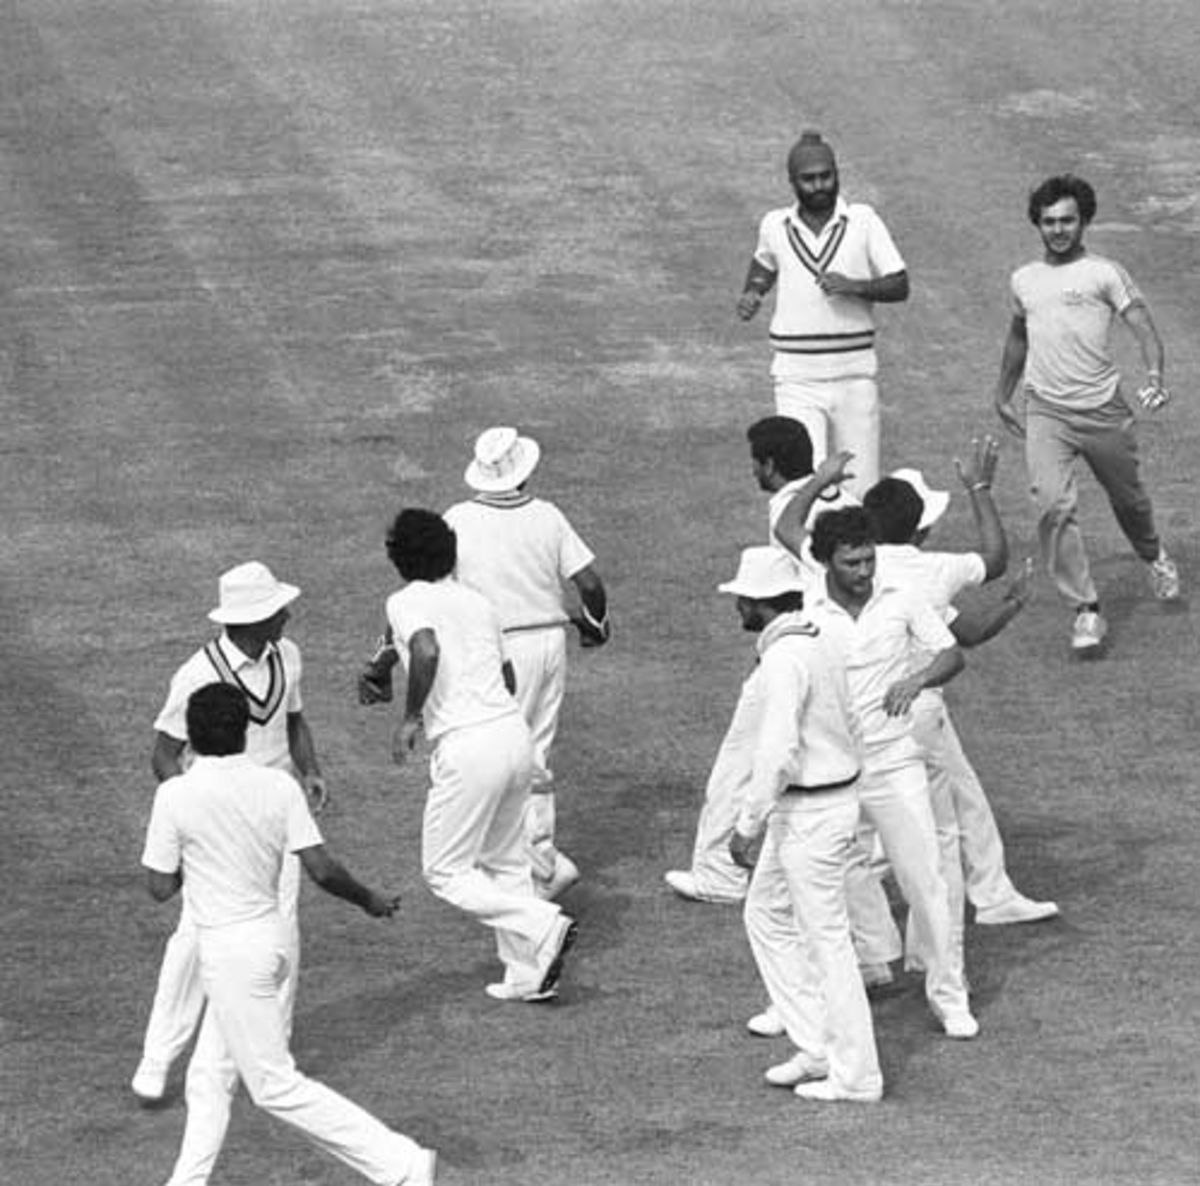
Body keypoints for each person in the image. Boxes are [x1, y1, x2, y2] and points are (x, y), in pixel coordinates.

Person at [142, 682, 436, 1186]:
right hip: (269, 943)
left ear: (190, 736)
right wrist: (369, 900)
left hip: (231, 956)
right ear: (245, 731)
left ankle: (401, 1164)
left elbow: (160, 888)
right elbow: (321, 870)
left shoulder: (175, 796)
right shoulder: (278, 787)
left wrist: (200, 856)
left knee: (274, 1086)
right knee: (209, 1074)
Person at [132, 561, 328, 1103]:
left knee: (283, 933)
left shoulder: (287, 655)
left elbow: (292, 721)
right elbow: (164, 754)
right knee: (195, 938)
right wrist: (199, 812)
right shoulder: (196, 674)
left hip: (276, 812)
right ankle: (157, 1059)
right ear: (252, 619)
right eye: (277, 611)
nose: (288, 616)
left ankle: (269, 1051)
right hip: (218, 830)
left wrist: (310, 771)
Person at [381, 508, 577, 1002]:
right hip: (512, 735)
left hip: (468, 744)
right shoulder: (477, 601)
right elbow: (507, 678)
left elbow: (425, 650)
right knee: (506, 861)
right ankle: (526, 975)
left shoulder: (405, 601)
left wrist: (411, 718)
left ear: (399, 561)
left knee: (444, 871)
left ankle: (542, 923)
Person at [861, 447, 1060, 930]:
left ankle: (990, 893)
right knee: (932, 824)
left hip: (859, 708)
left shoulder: (854, 565)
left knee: (936, 803)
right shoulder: (930, 572)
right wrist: (980, 489)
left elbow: (964, 631)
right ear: (920, 532)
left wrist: (1009, 607)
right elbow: (993, 559)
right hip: (917, 708)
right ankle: (957, 917)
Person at [665, 417, 854, 905]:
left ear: (769, 465)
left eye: (754, 462)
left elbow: (785, 584)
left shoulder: (785, 506)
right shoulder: (845, 501)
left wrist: (771, 652)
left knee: (743, 759)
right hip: (839, 647)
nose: (751, 471)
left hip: (795, 644)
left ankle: (720, 874)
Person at [806, 507, 978, 1039]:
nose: (864, 571)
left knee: (926, 880)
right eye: (852, 562)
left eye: (868, 559)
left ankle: (950, 997)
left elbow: (952, 654)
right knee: (814, 885)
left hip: (893, 762)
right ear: (826, 562)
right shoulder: (807, 609)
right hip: (831, 769)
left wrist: (919, 679)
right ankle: (809, 997)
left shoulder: (901, 597)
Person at [721, 547, 883, 1104]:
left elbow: (777, 750)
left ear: (763, 605)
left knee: (828, 941)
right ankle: (815, 1044)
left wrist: (748, 823)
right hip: (821, 804)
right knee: (763, 913)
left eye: (743, 598)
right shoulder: (820, 638)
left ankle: (857, 1075)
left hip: (812, 811)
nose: (737, 605)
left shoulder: (785, 661)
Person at [993, 173, 1180, 653]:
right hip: (1046, 411)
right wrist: (1002, 392)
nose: (1058, 229)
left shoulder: (1104, 273)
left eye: (1067, 221)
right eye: (1049, 221)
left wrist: (1154, 376)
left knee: (1130, 501)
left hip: (1102, 411)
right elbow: (1019, 337)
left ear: (1084, 221)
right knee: (1052, 504)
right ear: (1038, 223)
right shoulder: (1024, 280)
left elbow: (1141, 323)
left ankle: (1153, 554)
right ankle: (1086, 610)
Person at [444, 427, 610, 901]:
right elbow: (591, 584)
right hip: (548, 644)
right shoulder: (547, 516)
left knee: (498, 754)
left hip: (495, 651)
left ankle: (531, 865)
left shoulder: (457, 518)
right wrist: (596, 624)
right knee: (534, 752)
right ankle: (539, 859)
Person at [737, 130, 909, 498]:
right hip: (796, 376)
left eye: (825, 176)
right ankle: (792, 554)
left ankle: (861, 555)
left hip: (855, 374)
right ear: (792, 182)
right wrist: (753, 292)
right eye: (809, 179)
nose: (819, 186)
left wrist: (857, 286)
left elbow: (900, 283)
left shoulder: (863, 221)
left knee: (861, 486)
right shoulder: (775, 225)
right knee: (799, 484)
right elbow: (764, 263)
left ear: (837, 174)